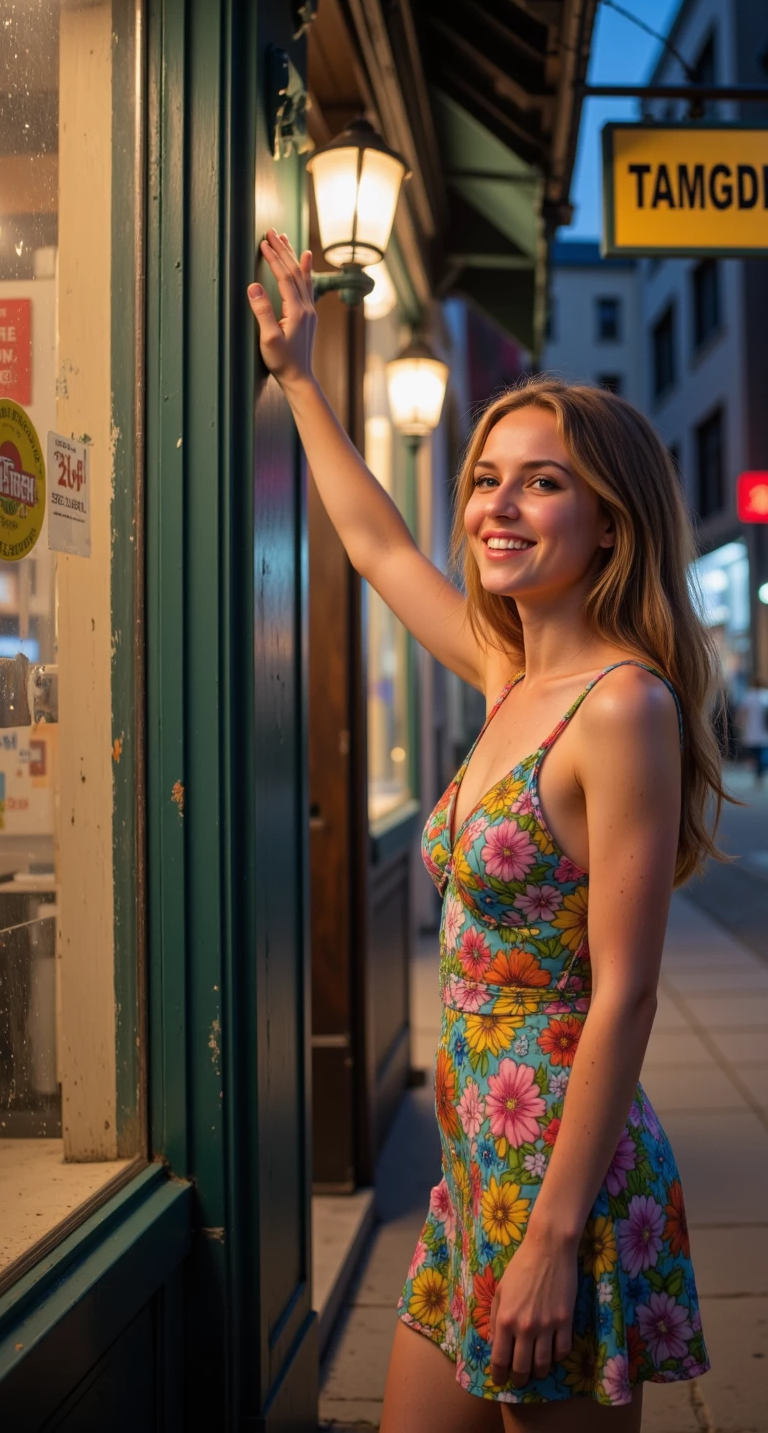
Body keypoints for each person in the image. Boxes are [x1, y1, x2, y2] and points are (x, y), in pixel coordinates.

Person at [247, 233, 723, 1432]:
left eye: (541, 482)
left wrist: (553, 1239)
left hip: (561, 1176)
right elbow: (375, 547)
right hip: (475, 1168)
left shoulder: (622, 707)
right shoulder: (510, 674)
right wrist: (298, 377)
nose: (496, 507)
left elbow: (626, 993)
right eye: (484, 478)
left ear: (609, 522)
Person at [736, 676, 768, 784]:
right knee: (765, 753)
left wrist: (739, 723)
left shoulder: (749, 695)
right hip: (766, 730)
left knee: (756, 753)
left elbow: (742, 712)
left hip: (753, 730)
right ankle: (760, 772)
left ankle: (759, 772)